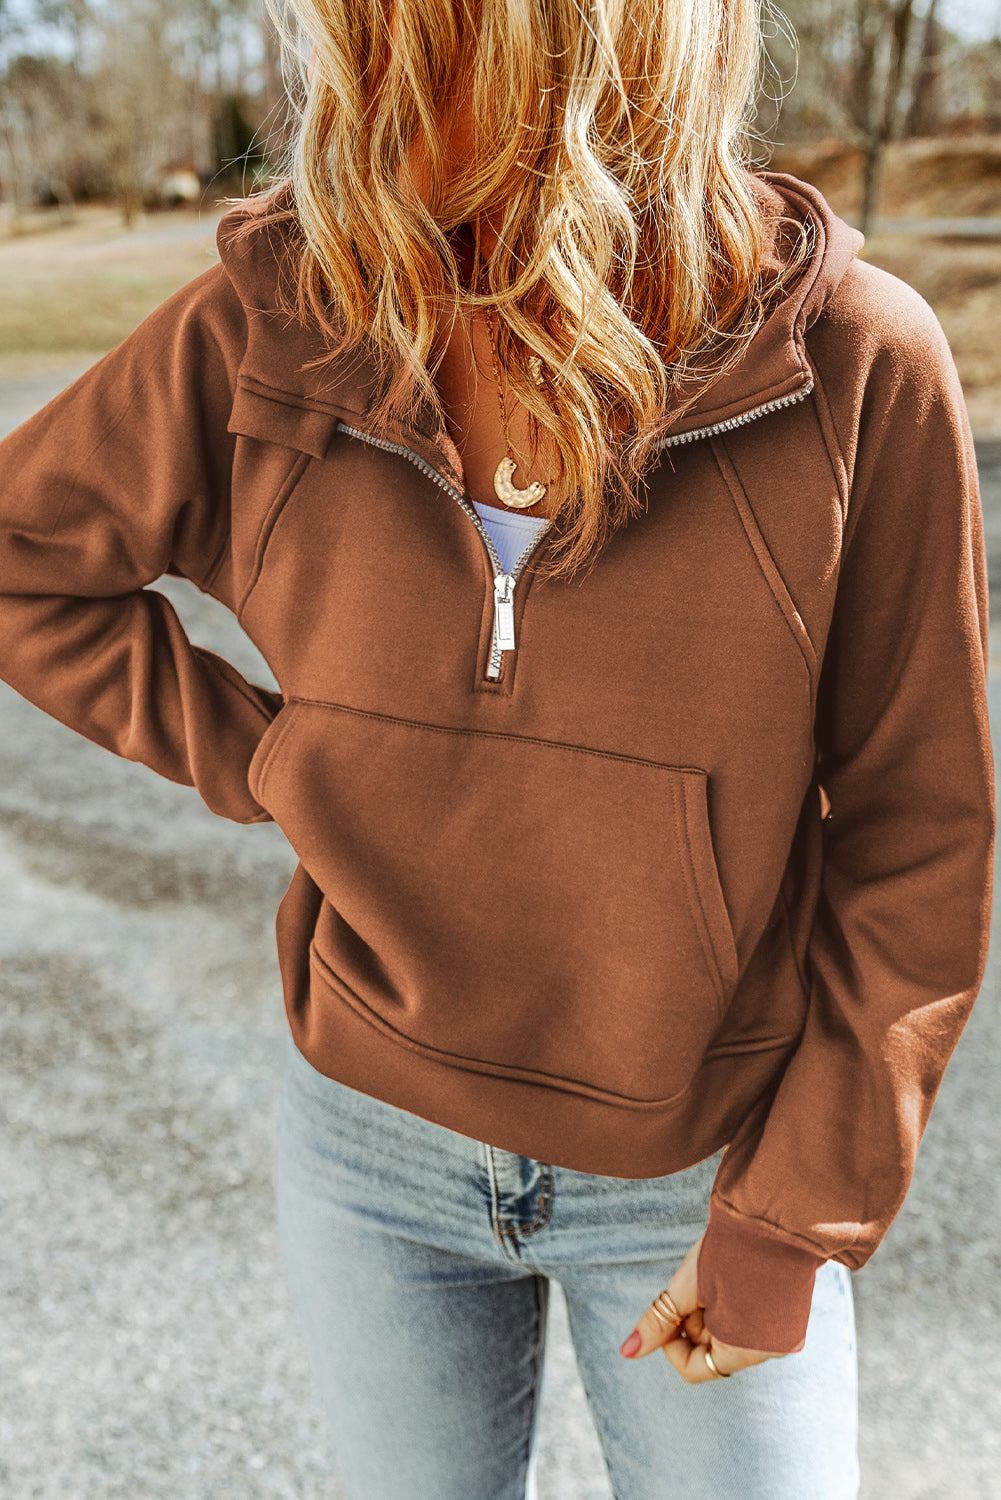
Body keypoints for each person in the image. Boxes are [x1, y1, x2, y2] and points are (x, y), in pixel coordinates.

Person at [0, 0, 993, 1495]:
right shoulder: (283, 316)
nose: (366, 82)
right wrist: (266, 758)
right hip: (365, 1146)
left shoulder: (849, 361)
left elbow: (922, 829)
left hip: (693, 1164)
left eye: (417, 37)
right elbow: (24, 556)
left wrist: (795, 1216)